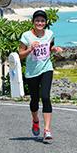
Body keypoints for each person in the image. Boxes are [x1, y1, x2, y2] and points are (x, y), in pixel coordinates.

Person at [19, 10, 62, 143]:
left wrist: (54, 49)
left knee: (45, 97)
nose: (40, 23)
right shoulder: (26, 36)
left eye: (42, 21)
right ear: (33, 22)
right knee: (34, 100)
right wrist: (30, 49)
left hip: (46, 68)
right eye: (37, 20)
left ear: (46, 23)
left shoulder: (49, 34)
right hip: (32, 72)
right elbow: (20, 55)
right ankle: (35, 120)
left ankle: (47, 130)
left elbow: (50, 46)